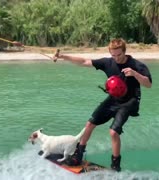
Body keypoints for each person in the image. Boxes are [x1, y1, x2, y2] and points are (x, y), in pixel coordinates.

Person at [53, 38, 152, 172]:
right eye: (113, 55)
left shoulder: (136, 65)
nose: (116, 58)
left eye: (119, 55)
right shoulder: (107, 62)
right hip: (113, 99)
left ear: (124, 51)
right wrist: (63, 56)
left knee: (113, 132)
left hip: (130, 101)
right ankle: (78, 155)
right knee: (89, 124)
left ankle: (115, 166)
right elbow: (84, 61)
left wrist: (135, 74)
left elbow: (148, 84)